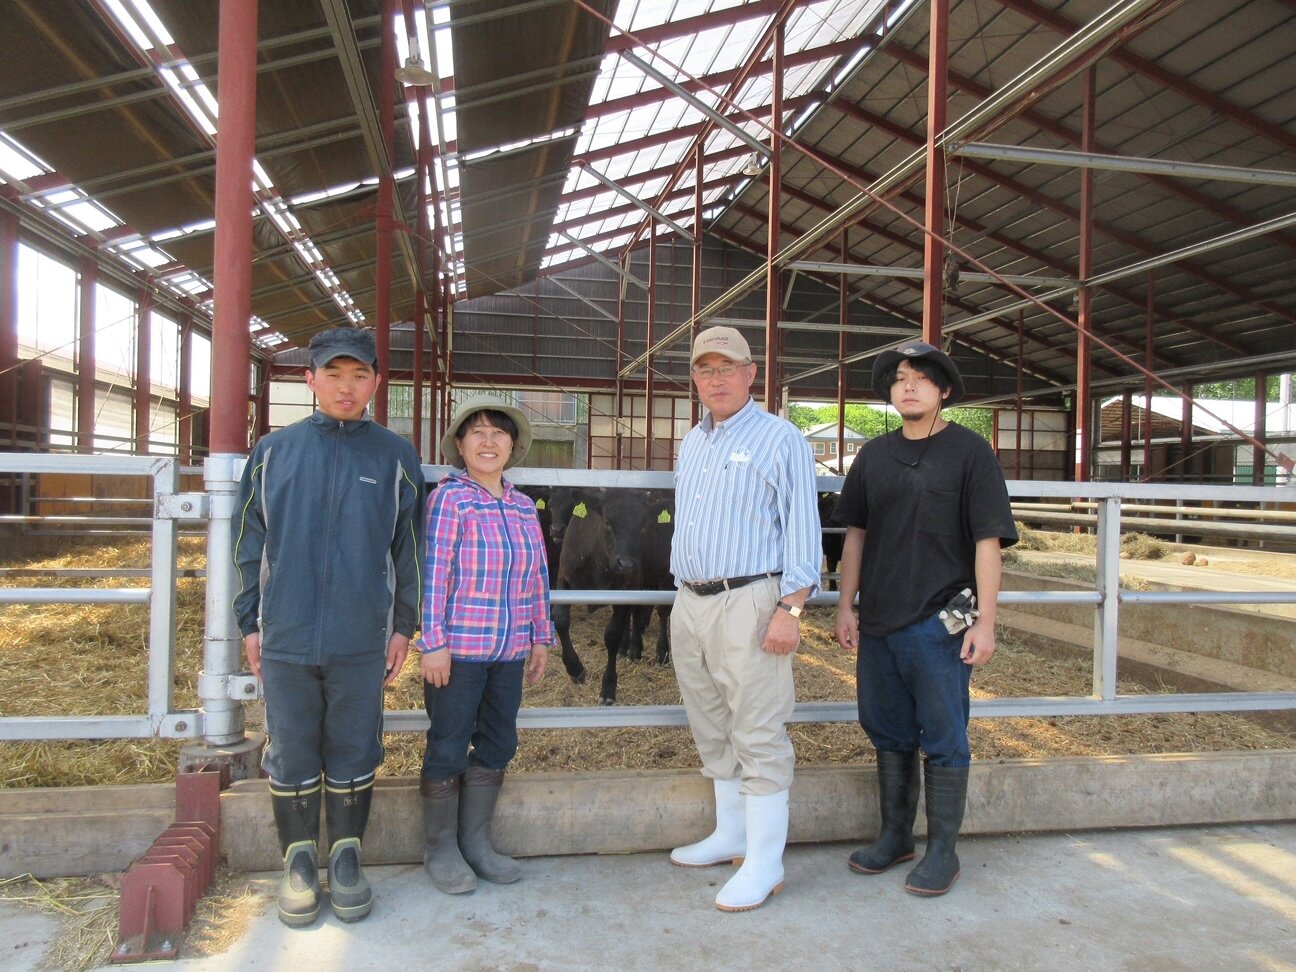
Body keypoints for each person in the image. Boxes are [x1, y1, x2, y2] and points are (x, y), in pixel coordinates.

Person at [233, 326, 425, 927]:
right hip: (285, 631)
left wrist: (403, 625)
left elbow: (409, 548)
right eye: (334, 375)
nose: (347, 387)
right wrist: (249, 621)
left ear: (375, 381)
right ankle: (296, 862)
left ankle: (345, 858)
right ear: (309, 379)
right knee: (290, 748)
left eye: (359, 375)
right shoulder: (273, 451)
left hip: (361, 635)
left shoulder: (395, 455)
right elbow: (248, 540)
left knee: (354, 745)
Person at [832, 340, 1017, 897]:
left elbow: (989, 541)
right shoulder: (873, 457)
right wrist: (846, 605)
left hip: (941, 621)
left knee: (943, 733)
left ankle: (943, 850)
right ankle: (895, 837)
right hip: (880, 621)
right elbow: (855, 537)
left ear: (944, 391)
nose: (907, 386)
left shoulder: (970, 453)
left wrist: (985, 622)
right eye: (898, 378)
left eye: (919, 378)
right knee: (885, 728)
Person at [669, 325, 821, 912]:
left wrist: (790, 607)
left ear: (751, 373)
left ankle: (765, 862)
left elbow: (804, 531)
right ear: (696, 379)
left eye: (727, 367)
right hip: (691, 599)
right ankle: (730, 835)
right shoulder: (692, 442)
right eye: (706, 369)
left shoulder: (780, 438)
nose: (717, 378)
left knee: (757, 726)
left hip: (752, 600)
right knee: (709, 719)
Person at [415, 396, 552, 895]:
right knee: (449, 742)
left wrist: (542, 635)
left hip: (510, 648)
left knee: (498, 740)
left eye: (499, 433)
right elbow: (434, 574)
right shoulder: (450, 499)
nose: (488, 441)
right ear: (459, 445)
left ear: (513, 446)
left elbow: (538, 575)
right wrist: (433, 642)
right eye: (477, 432)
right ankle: (441, 849)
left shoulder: (521, 505)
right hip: (460, 650)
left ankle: (476, 843)